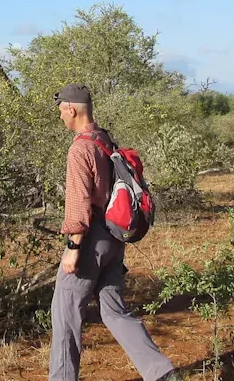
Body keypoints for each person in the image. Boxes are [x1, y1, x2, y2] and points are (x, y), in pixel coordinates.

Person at [50, 84, 181, 381]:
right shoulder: (104, 140)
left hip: (91, 243)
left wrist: (73, 248)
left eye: (61, 111)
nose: (60, 117)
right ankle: (160, 371)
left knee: (65, 316)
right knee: (114, 311)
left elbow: (78, 203)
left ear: (71, 109)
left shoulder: (80, 148)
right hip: (113, 238)